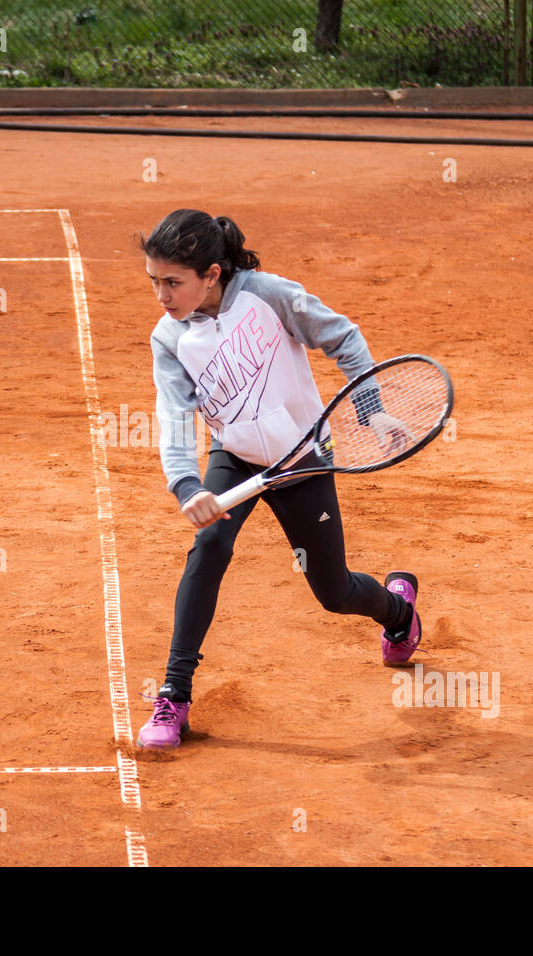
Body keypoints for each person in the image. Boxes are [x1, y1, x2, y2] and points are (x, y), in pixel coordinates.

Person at [136, 208, 423, 751]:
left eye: (173, 282)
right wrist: (188, 486)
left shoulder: (269, 296)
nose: (162, 296)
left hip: (301, 457)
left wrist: (371, 409)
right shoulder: (169, 338)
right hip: (236, 456)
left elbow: (343, 337)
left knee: (333, 592)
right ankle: (174, 695)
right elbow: (173, 418)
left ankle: (398, 610)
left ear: (212, 274)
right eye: (154, 281)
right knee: (210, 544)